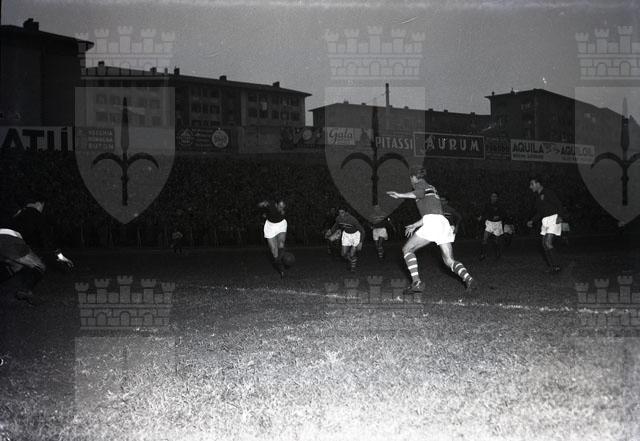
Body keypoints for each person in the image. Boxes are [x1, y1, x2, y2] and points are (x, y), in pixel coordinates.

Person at [387, 167, 476, 294]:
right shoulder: (431, 187)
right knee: (449, 261)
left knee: (407, 249)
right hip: (442, 222)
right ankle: (469, 279)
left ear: (414, 177)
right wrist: (415, 225)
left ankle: (416, 282)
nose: (410, 181)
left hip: (433, 222)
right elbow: (431, 212)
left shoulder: (420, 184)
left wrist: (399, 195)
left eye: (410, 178)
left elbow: (419, 194)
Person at [0, 195, 74, 305]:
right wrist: (60, 256)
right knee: (39, 266)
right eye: (43, 206)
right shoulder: (34, 213)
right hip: (10, 239)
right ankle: (26, 291)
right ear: (39, 204)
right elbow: (47, 238)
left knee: (16, 266)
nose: (42, 209)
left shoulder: (19, 213)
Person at [526, 176, 567, 273]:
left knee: (548, 243)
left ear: (538, 184)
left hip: (553, 218)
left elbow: (559, 204)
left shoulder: (548, 192)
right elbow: (540, 212)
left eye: (532, 184)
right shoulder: (537, 198)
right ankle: (552, 266)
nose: (530, 187)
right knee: (544, 244)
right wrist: (532, 220)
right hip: (545, 221)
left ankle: (557, 266)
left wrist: (560, 216)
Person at [326, 207, 365, 272]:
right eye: (339, 213)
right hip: (346, 235)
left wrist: (361, 242)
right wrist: (331, 231)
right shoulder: (338, 218)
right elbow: (336, 225)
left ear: (347, 213)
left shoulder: (352, 219)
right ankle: (353, 260)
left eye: (342, 212)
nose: (341, 214)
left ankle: (353, 267)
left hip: (355, 235)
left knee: (352, 254)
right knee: (343, 254)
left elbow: (362, 231)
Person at [258, 199, 288, 277]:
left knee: (281, 243)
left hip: (281, 224)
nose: (281, 208)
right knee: (274, 250)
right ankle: (281, 268)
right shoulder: (271, 205)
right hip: (270, 226)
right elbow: (260, 205)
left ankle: (280, 260)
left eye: (283, 207)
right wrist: (262, 205)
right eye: (280, 206)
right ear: (276, 205)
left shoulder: (285, 209)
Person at [477, 192, 507, 260]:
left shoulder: (500, 205)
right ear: (490, 197)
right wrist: (481, 217)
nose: (494, 198)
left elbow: (504, 214)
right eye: (492, 196)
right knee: (484, 239)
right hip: (489, 223)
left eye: (495, 196)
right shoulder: (487, 204)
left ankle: (497, 254)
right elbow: (484, 212)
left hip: (497, 224)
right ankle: (483, 254)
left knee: (496, 241)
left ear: (497, 197)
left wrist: (498, 217)